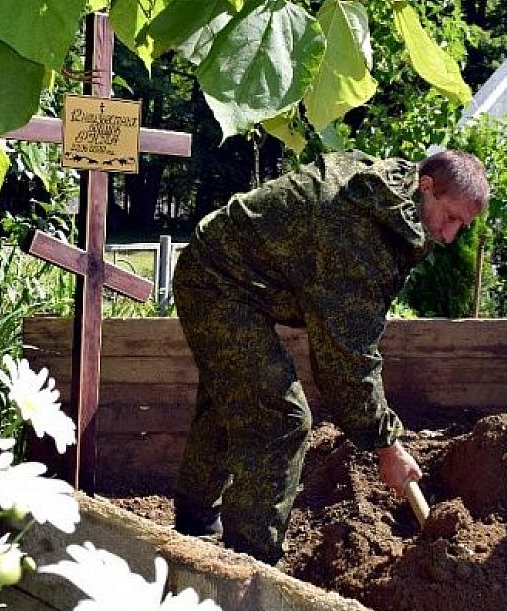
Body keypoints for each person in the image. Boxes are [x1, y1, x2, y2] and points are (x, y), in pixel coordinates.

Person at [172, 149, 490, 564]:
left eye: (460, 226)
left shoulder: (392, 197)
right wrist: (386, 445)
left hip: (242, 277)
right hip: (216, 280)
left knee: (234, 398)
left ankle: (194, 521)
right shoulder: (360, 234)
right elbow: (346, 360)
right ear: (426, 186)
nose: (449, 237)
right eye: (450, 218)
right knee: (279, 418)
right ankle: (250, 566)